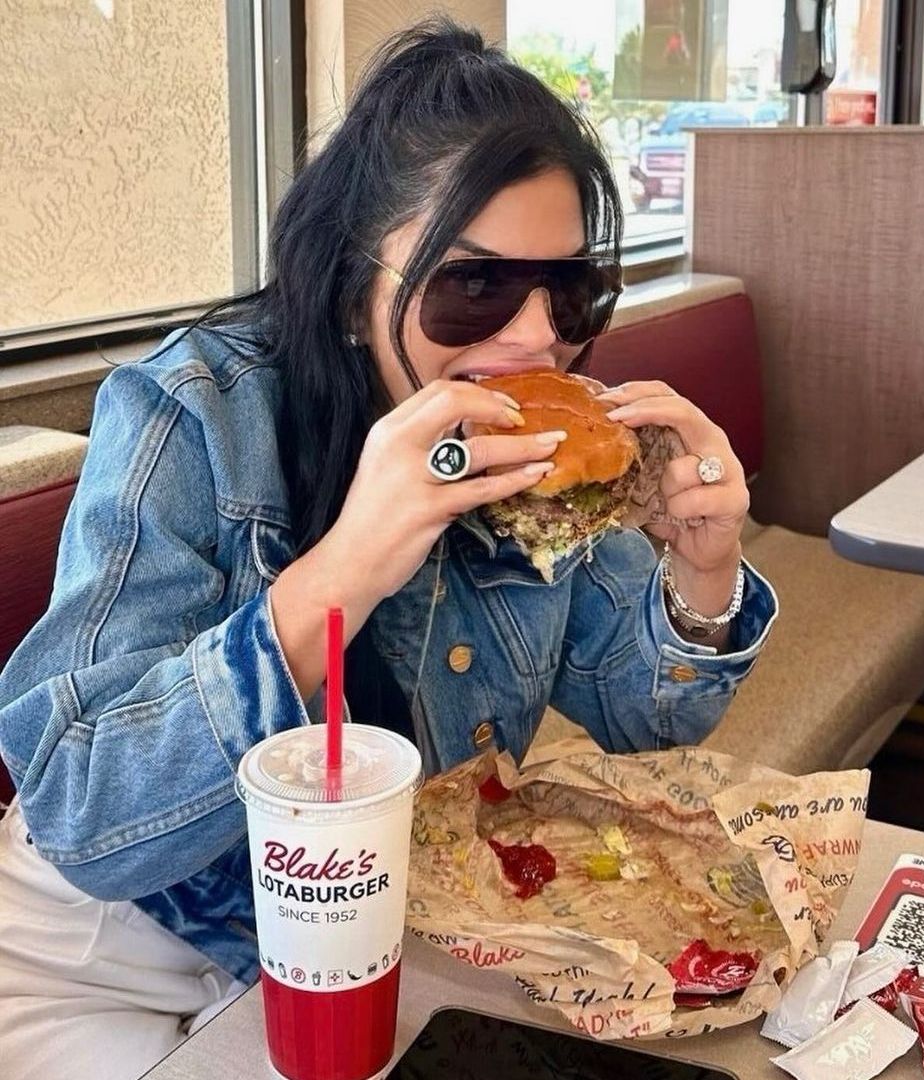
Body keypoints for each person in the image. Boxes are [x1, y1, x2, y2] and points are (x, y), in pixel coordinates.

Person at [0, 19, 777, 1080]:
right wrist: (348, 567)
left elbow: (644, 717)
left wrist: (702, 566)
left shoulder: (546, 451)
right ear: (346, 289)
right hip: (110, 951)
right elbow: (83, 812)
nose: (535, 339)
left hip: (367, 935)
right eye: (476, 288)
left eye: (574, 293)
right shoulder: (194, 416)